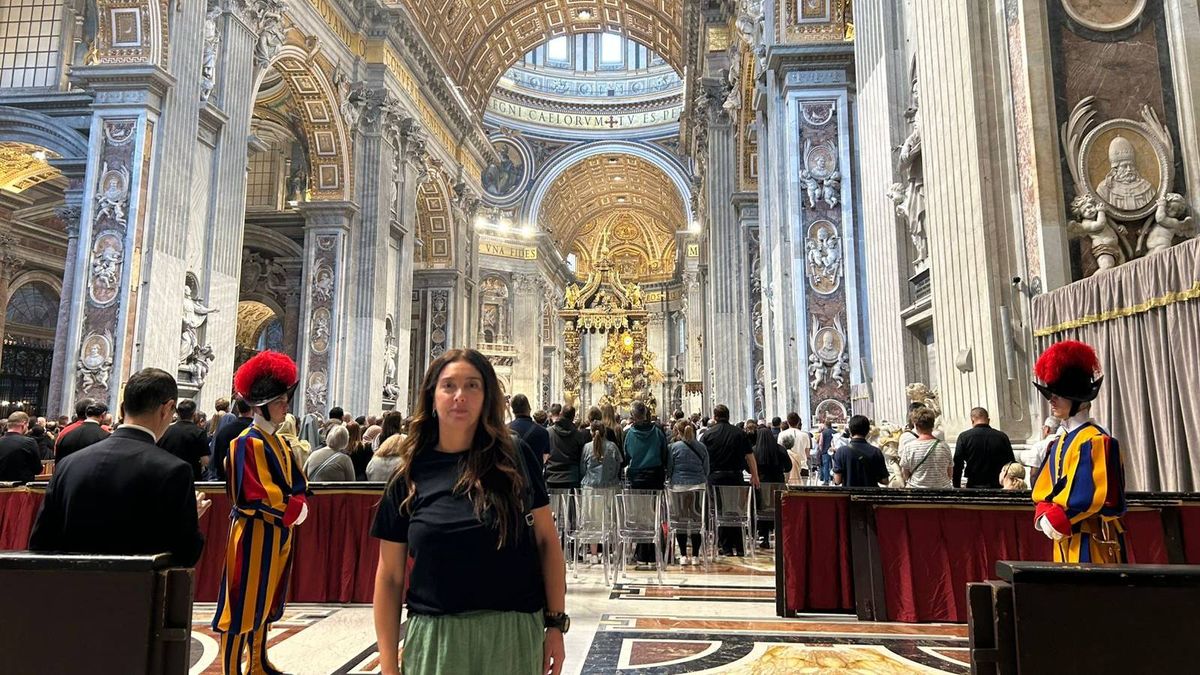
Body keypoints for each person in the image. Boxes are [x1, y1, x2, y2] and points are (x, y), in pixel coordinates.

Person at [371, 349, 567, 675]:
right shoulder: (408, 474)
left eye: (472, 386)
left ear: (487, 396)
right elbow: (389, 577)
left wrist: (556, 624)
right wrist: (389, 665)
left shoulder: (515, 456)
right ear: (432, 396)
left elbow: (547, 541)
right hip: (436, 637)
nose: (460, 396)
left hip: (513, 634)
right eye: (449, 386)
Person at [29, 369, 207, 564]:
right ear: (167, 408)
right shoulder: (174, 470)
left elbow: (40, 543)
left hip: (71, 590)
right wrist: (191, 518)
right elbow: (186, 554)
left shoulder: (68, 464)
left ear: (122, 409)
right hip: (135, 591)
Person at [213, 351, 309, 675]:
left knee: (265, 600)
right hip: (253, 533)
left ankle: (257, 661)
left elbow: (296, 481)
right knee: (241, 603)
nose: (286, 407)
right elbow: (252, 495)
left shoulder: (279, 442)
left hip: (277, 533)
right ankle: (231, 669)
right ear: (261, 406)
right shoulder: (244, 443)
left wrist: (298, 500)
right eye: (280, 402)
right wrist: (292, 508)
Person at [1031, 340, 1126, 563]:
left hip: (1092, 539)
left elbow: (1092, 497)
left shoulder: (1096, 440)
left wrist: (1056, 518)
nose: (1051, 400)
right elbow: (1043, 488)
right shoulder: (1059, 441)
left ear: (1078, 400)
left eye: (1058, 395)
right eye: (1051, 394)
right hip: (1064, 539)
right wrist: (1044, 511)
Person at [703, 404, 760, 556]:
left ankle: (726, 546)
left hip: (715, 478)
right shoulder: (739, 433)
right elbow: (750, 456)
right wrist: (755, 475)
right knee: (736, 511)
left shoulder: (708, 435)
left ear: (715, 417)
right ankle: (739, 546)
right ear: (728, 416)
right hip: (735, 477)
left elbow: (703, 459)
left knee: (720, 511)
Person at [623, 401, 669, 563]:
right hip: (655, 477)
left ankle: (643, 553)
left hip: (637, 478)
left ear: (634, 417)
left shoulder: (630, 434)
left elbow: (627, 455)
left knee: (641, 515)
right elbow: (664, 454)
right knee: (655, 513)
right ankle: (657, 550)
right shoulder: (657, 432)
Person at [666, 421, 708, 565]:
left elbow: (670, 468)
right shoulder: (701, 447)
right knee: (697, 521)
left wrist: (671, 479)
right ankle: (696, 555)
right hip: (698, 486)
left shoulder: (672, 447)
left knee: (680, 520)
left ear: (678, 432)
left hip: (679, 487)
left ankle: (683, 555)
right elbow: (706, 468)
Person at [952, 407, 1015, 489]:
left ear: (972, 420)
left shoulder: (964, 437)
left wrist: (956, 486)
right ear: (988, 420)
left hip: (974, 483)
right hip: (997, 483)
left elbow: (958, 464)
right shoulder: (1001, 436)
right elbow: (1011, 462)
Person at [899, 408, 952, 489]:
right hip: (942, 492)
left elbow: (905, 475)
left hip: (917, 493)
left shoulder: (909, 448)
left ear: (916, 425)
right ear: (933, 425)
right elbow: (949, 474)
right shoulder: (944, 446)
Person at [158, 399, 210, 480]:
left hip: (167, 475)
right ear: (194, 414)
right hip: (189, 477)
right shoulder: (199, 433)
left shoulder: (166, 430)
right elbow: (205, 461)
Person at [832, 415, 890, 488]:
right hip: (870, 496)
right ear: (868, 430)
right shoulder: (876, 451)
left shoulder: (841, 451)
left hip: (849, 496)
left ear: (850, 430)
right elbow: (885, 481)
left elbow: (837, 480)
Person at [545, 405, 588, 491]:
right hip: (571, 477)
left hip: (552, 476)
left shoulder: (548, 432)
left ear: (560, 414)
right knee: (571, 504)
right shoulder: (578, 435)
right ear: (573, 417)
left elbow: (544, 454)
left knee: (553, 504)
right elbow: (581, 457)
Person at [210, 397, 253, 481]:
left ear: (237, 408)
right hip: (250, 483)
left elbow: (217, 460)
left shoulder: (223, 430)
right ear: (253, 407)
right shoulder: (258, 431)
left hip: (226, 482)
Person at [509, 394, 551, 465]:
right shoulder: (542, 432)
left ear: (513, 411)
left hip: (511, 474)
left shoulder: (504, 430)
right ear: (529, 409)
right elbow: (546, 456)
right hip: (533, 475)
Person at [0, 412, 42, 482]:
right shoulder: (29, 442)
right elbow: (37, 469)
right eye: (27, 426)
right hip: (21, 489)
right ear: (24, 424)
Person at [778, 412, 809, 485]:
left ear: (788, 422)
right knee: (803, 493)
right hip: (802, 466)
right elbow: (807, 453)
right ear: (798, 422)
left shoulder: (782, 434)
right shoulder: (805, 435)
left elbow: (780, 451)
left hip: (786, 468)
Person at [817, 419, 835, 484]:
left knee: (826, 466)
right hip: (833, 451)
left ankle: (826, 480)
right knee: (834, 466)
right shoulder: (835, 432)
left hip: (825, 451)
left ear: (825, 425)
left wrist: (821, 450)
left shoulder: (823, 433)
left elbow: (820, 443)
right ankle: (834, 479)